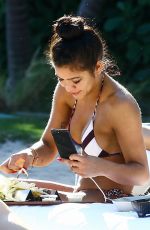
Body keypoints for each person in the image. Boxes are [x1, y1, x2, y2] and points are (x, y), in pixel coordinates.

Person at [0, 15, 150, 202]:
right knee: (9, 191)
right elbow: (48, 145)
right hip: (83, 192)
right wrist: (30, 154)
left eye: (76, 81)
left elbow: (142, 174)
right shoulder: (66, 92)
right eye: (60, 79)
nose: (69, 88)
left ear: (97, 67)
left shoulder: (120, 105)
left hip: (116, 197)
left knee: (28, 199)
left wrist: (101, 167)